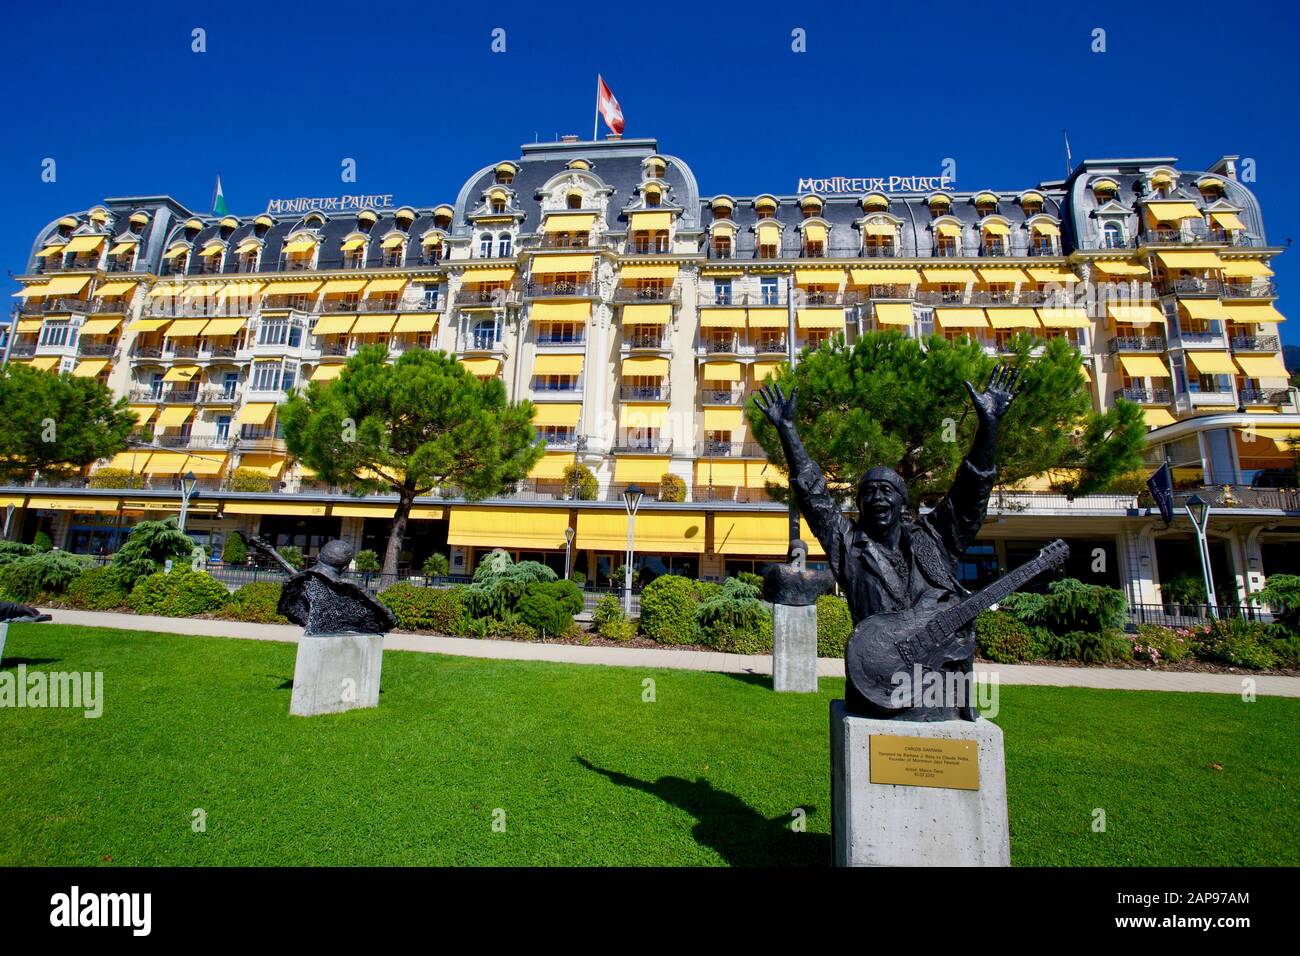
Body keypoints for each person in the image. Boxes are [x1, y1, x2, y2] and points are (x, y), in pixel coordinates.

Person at [755, 366, 1022, 719]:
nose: (877, 498)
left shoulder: (935, 538)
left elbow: (970, 494)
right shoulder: (849, 545)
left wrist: (988, 427)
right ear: (860, 504)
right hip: (874, 687)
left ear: (901, 502)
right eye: (868, 493)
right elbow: (813, 495)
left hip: (938, 696)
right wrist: (788, 429)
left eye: (886, 491)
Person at [275, 539, 397, 636]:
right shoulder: (352, 590)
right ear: (345, 567)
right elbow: (388, 621)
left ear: (318, 557)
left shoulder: (298, 582)